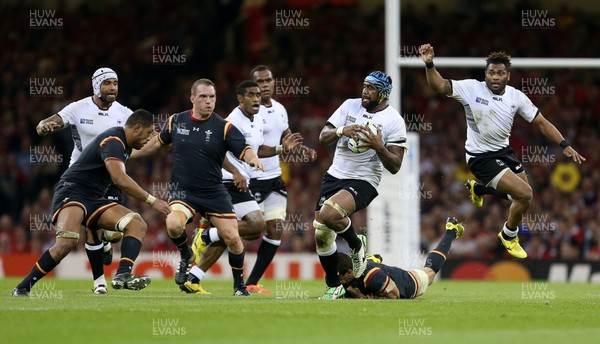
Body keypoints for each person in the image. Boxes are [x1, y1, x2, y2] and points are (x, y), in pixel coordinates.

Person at [418, 44, 586, 259]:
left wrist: (565, 145)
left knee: (522, 198)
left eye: (500, 73)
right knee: (525, 194)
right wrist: (429, 64)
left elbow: (542, 123)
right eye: (491, 72)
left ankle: (479, 190)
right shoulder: (471, 89)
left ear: (508, 75)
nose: (495, 77)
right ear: (485, 73)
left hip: (503, 152)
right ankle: (508, 235)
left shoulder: (516, 97)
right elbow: (439, 85)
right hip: (480, 157)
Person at [12, 109, 170, 297]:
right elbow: (119, 178)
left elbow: (149, 149)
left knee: (137, 224)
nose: (149, 137)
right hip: (73, 191)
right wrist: (152, 200)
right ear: (136, 128)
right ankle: (22, 287)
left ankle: (123, 275)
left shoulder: (125, 144)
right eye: (148, 132)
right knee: (67, 242)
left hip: (95, 197)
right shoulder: (113, 141)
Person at [133, 78, 264, 296]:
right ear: (192, 98)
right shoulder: (176, 121)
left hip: (213, 191)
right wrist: (127, 155)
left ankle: (239, 287)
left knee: (233, 237)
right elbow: (157, 143)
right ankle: (186, 255)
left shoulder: (224, 127)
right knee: (173, 223)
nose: (208, 101)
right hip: (184, 191)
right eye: (203, 96)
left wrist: (253, 159)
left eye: (212, 97)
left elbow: (244, 148)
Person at [185, 80, 302, 295]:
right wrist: (236, 172)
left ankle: (194, 276)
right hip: (225, 181)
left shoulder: (256, 120)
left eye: (258, 95)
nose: (256, 99)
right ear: (240, 98)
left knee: (231, 234)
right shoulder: (231, 121)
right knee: (256, 226)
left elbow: (256, 149)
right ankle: (206, 238)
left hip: (240, 181)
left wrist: (280, 148)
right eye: (250, 95)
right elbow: (214, 151)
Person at [35, 67, 133, 294]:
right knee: (92, 227)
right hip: (81, 177)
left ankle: (107, 243)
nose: (112, 88)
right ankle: (99, 283)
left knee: (115, 233)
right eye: (107, 83)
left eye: (115, 84)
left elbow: (141, 135)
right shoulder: (79, 107)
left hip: (111, 177)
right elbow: (53, 121)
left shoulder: (123, 112)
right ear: (97, 85)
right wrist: (44, 126)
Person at [314, 71, 408, 299]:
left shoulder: (394, 121)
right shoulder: (349, 106)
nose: (365, 91)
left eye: (371, 88)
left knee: (328, 214)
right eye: (364, 86)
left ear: (383, 93)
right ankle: (334, 285)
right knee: (321, 233)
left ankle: (355, 245)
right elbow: (323, 136)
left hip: (365, 179)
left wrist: (378, 145)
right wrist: (341, 130)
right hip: (335, 175)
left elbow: (395, 165)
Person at [242, 65, 317, 294]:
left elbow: (286, 137)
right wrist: (281, 148)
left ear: (274, 82)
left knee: (275, 229)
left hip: (274, 178)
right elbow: (253, 147)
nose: (265, 85)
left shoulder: (280, 109)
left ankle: (251, 282)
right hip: (252, 177)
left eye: (268, 80)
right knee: (247, 230)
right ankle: (209, 234)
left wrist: (302, 150)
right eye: (260, 82)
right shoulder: (249, 113)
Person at [338, 217, 464, 299]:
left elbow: (395, 296)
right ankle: (371, 260)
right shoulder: (342, 271)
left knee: (429, 272)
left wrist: (361, 296)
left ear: (349, 272)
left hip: (407, 283)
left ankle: (451, 231)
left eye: (342, 279)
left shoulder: (373, 275)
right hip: (378, 273)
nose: (341, 282)